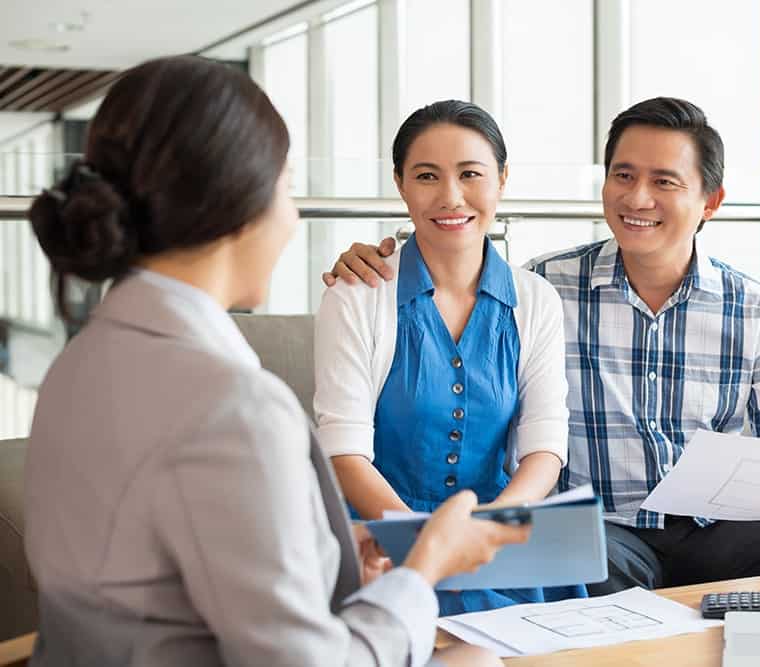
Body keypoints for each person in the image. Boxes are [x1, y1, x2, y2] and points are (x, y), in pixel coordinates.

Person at [24, 56, 526, 667]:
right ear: (236, 203)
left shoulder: (77, 364)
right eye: (286, 187)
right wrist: (424, 567)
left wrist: (332, 554)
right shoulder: (230, 406)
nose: (291, 220)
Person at [324, 96, 760, 594]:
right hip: (606, 532)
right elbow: (449, 268)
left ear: (711, 201)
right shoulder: (546, 289)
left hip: (720, 535)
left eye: (664, 181)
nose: (638, 198)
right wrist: (369, 258)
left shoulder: (754, 309)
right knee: (578, 566)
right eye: (623, 175)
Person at [314, 100, 586, 615]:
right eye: (426, 176)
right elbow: (344, 450)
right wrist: (430, 545)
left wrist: (487, 531)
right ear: (400, 183)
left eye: (470, 174)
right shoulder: (355, 295)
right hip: (381, 543)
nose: (450, 196)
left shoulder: (535, 300)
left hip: (496, 541)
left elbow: (545, 446)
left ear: (502, 179)